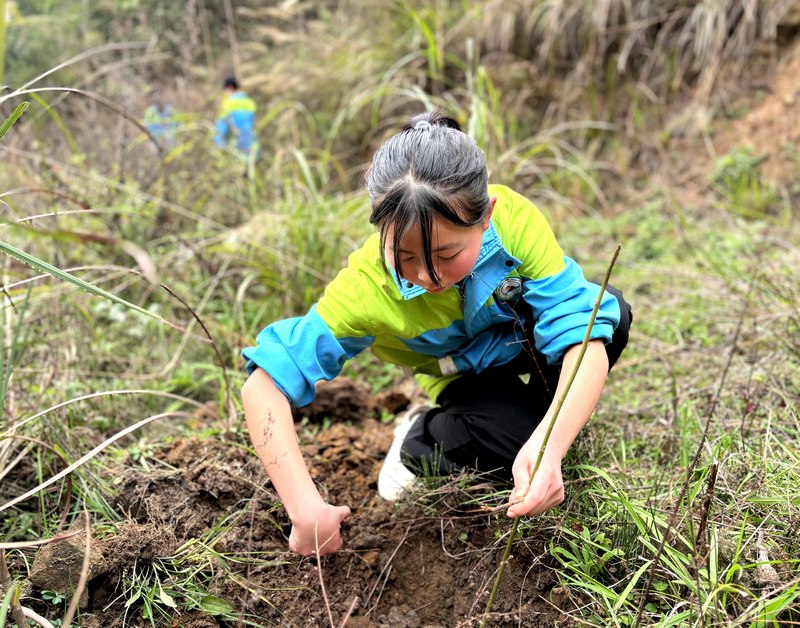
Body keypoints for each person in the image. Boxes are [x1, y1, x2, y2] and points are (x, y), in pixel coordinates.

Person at [240, 112, 632, 557]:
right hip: (461, 374)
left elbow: (581, 331)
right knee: (513, 441)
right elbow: (263, 385)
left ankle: (536, 425)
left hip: (520, 342)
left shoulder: (514, 223)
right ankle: (417, 438)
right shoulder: (365, 290)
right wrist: (305, 509)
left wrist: (550, 443)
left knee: (610, 312)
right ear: (380, 231)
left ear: (485, 218)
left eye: (448, 253)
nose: (427, 275)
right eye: (403, 256)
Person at [213, 76, 259, 159]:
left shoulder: (228, 104)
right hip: (253, 148)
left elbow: (221, 128)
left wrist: (218, 145)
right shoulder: (250, 102)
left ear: (229, 88)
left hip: (238, 149)